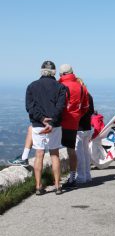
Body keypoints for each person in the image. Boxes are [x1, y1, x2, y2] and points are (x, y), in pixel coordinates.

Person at [26, 61, 66, 195]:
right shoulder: (60, 87)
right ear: (54, 72)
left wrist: (42, 119)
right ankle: (57, 186)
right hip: (55, 126)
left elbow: (29, 108)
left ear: (41, 71)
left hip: (38, 125)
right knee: (54, 154)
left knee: (39, 155)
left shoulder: (32, 86)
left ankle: (38, 186)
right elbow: (61, 107)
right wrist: (52, 121)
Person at [59, 64, 89, 189]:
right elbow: (85, 107)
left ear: (61, 74)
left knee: (56, 150)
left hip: (61, 122)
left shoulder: (60, 86)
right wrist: (76, 116)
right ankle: (72, 177)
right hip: (74, 123)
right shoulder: (81, 87)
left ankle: (62, 180)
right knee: (72, 150)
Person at [75, 78, 95, 184]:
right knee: (86, 152)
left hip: (79, 128)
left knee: (79, 153)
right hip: (87, 127)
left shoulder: (78, 96)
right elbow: (91, 111)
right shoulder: (89, 96)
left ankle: (81, 176)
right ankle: (87, 175)